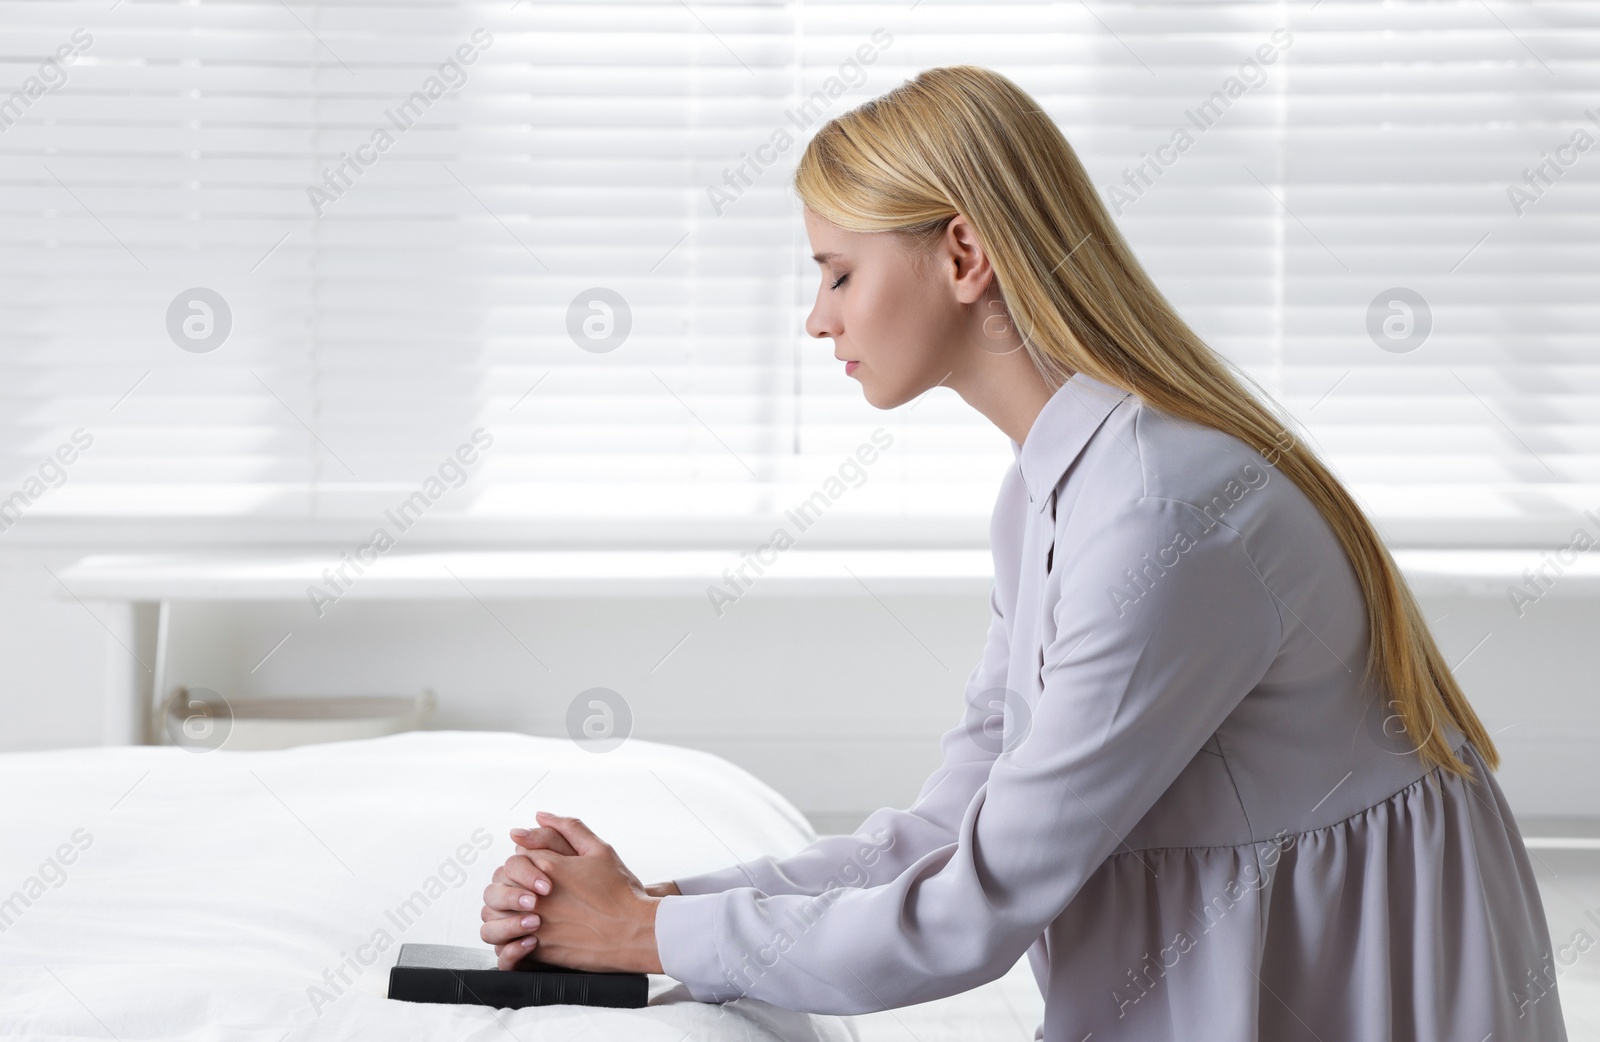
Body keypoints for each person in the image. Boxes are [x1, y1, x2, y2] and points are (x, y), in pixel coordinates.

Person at [478, 65, 1568, 1041]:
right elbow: (955, 828)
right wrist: (652, 905)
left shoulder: (1159, 513)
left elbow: (973, 914)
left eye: (837, 273)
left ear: (961, 253)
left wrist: (642, 938)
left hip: (1321, 977)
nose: (817, 320)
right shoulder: (1054, 489)